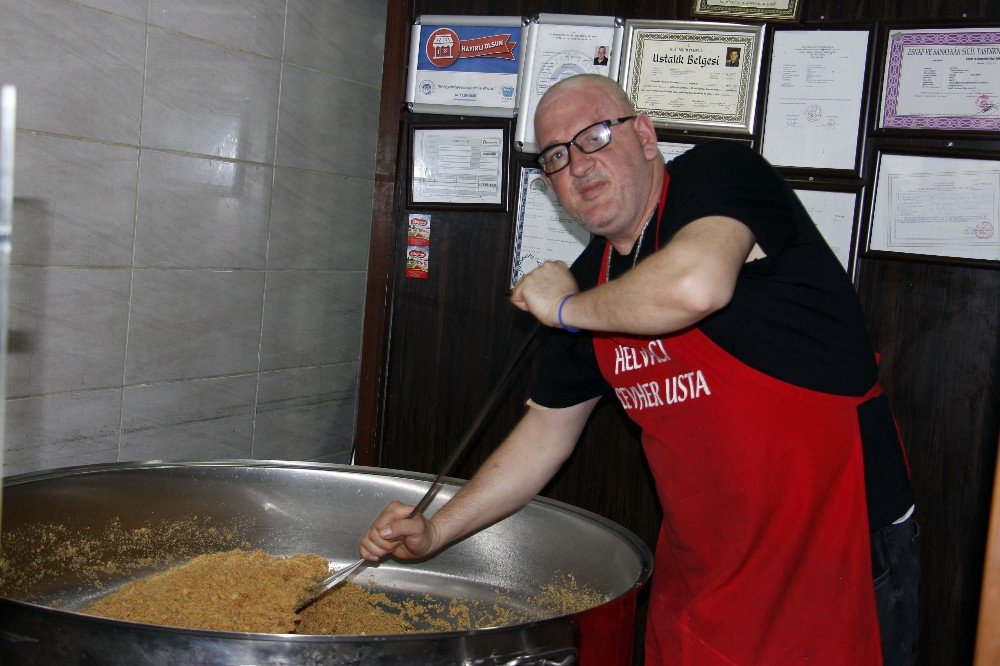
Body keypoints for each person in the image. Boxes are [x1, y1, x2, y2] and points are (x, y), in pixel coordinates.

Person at [360, 74, 919, 665]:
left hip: (840, 547)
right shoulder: (591, 279)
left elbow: (695, 284)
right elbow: (545, 436)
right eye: (556, 155)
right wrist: (437, 532)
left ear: (645, 136)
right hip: (707, 567)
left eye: (596, 135)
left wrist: (564, 310)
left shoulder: (719, 177)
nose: (578, 164)